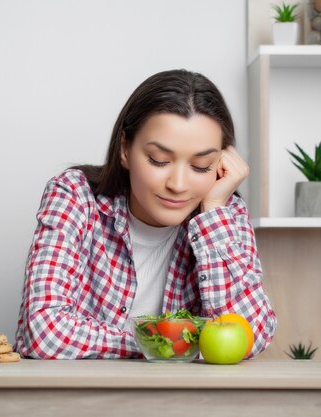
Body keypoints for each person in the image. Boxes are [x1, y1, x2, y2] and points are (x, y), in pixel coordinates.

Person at [14, 69, 276, 359]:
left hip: (183, 402)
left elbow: (250, 334)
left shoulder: (226, 214)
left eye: (201, 166)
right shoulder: (75, 195)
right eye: (159, 160)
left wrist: (213, 215)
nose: (177, 185)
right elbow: (44, 332)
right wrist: (159, 343)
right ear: (125, 149)